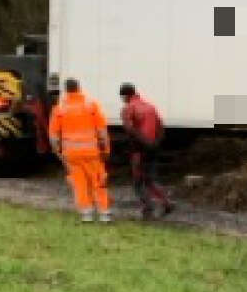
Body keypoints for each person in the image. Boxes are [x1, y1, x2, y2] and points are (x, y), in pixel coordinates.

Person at [49, 78, 112, 222]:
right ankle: (104, 213)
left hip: (71, 155)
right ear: (79, 87)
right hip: (92, 153)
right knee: (98, 181)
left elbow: (53, 137)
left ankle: (87, 213)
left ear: (66, 90)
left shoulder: (60, 108)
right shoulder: (91, 105)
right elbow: (102, 131)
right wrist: (106, 150)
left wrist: (59, 154)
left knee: (80, 184)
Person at [119, 82, 174, 219]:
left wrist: (145, 143)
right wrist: (155, 143)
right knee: (150, 179)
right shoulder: (150, 107)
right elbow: (161, 127)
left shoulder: (128, 109)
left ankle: (147, 209)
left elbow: (130, 129)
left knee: (138, 181)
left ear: (125, 95)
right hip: (154, 148)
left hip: (139, 150)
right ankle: (166, 203)